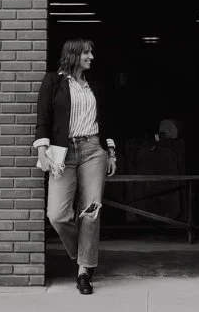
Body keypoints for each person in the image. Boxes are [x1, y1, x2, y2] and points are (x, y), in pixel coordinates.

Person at [34, 39, 117, 295]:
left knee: (91, 212)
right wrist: (42, 152)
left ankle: (84, 271)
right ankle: (83, 251)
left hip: (94, 150)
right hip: (63, 152)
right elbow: (43, 118)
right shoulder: (54, 82)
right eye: (86, 53)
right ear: (73, 55)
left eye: (91, 52)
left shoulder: (95, 85)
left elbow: (108, 119)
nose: (91, 56)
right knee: (57, 215)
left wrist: (111, 152)